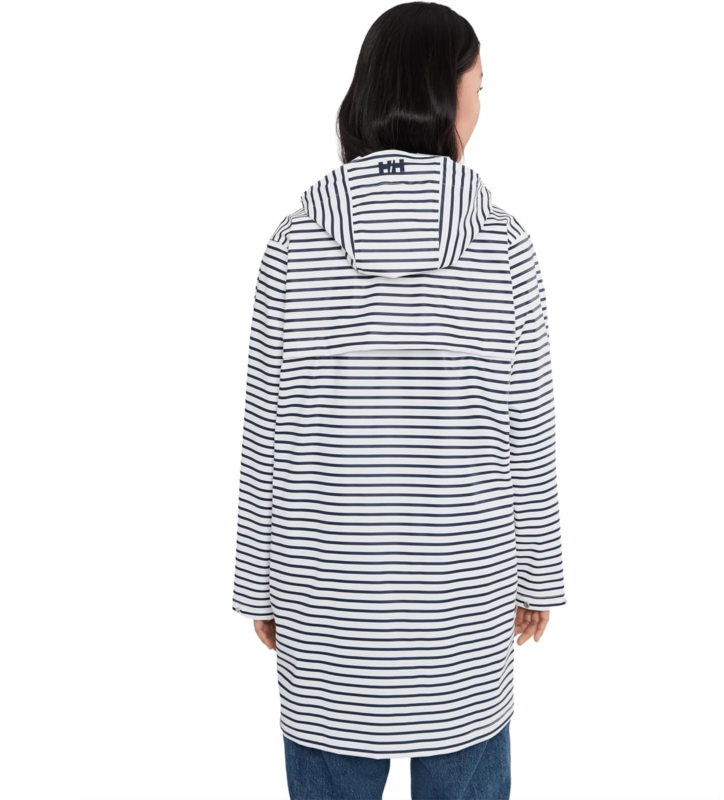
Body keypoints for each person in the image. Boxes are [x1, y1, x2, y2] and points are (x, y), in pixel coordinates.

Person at [230, 3, 568, 798]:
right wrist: (539, 578)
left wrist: (258, 586)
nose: (482, 103)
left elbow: (264, 436)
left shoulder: (293, 245)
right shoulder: (504, 247)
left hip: (327, 613)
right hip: (460, 614)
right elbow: (529, 434)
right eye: (479, 84)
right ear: (445, 93)